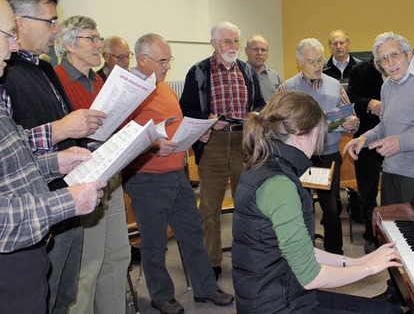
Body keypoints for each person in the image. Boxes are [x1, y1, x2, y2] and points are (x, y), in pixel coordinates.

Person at [232, 90, 403, 314]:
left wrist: (357, 261)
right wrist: (370, 268)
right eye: (319, 133)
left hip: (281, 290)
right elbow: (310, 277)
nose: (320, 141)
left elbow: (301, 251)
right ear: (301, 135)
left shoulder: (267, 163)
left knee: (386, 311)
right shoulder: (279, 183)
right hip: (276, 304)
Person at [0, 0, 107, 314]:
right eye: (50, 21)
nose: (55, 29)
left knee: (61, 290)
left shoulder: (42, 67)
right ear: (19, 23)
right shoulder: (9, 74)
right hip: (30, 219)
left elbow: (12, 149)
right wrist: (60, 132)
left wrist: (55, 160)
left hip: (54, 196)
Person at [343, 31, 414, 304]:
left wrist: (402, 143)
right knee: (393, 238)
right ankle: (396, 290)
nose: (390, 63)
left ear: (409, 53)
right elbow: (386, 126)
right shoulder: (388, 85)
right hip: (392, 170)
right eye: (383, 59)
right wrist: (364, 137)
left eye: (395, 55)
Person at [124, 33, 234, 314]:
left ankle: (206, 289)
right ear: (143, 59)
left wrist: (200, 128)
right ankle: (161, 296)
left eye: (169, 60)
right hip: (148, 178)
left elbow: (175, 122)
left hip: (177, 174)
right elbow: (122, 137)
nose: (167, 66)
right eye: (162, 61)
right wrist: (152, 146)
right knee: (155, 242)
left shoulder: (163, 87)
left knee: (191, 232)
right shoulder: (129, 90)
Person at [54, 16, 130, 314]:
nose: (100, 44)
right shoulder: (57, 79)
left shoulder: (99, 80)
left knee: (118, 255)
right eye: (92, 39)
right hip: (83, 178)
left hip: (111, 172)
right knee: (88, 266)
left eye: (100, 38)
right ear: (71, 44)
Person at [180, 21, 265, 280]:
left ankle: (246, 257)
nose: (233, 46)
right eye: (227, 41)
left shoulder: (247, 71)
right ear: (214, 44)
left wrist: (256, 115)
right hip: (213, 143)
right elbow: (186, 109)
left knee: (247, 204)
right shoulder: (198, 72)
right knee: (210, 208)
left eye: (236, 41)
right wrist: (208, 119)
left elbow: (260, 103)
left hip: (243, 143)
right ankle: (212, 261)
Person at [279, 38, 360, 255]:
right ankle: (302, 252)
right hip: (298, 157)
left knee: (331, 208)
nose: (317, 66)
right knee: (299, 205)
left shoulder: (335, 85)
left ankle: (334, 252)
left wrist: (352, 123)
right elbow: (275, 123)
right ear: (299, 62)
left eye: (319, 60)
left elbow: (351, 118)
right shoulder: (287, 88)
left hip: (327, 155)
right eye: (311, 62)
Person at [346, 56, 385, 254]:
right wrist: (370, 103)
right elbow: (351, 97)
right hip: (367, 139)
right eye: (382, 57)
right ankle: (372, 236)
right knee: (367, 192)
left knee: (394, 191)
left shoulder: (404, 71)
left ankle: (393, 235)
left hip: (397, 139)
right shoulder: (360, 70)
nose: (388, 61)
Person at [244, 34, 282, 101]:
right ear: (247, 51)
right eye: (256, 49)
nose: (260, 53)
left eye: (263, 50)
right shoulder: (239, 75)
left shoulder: (275, 77)